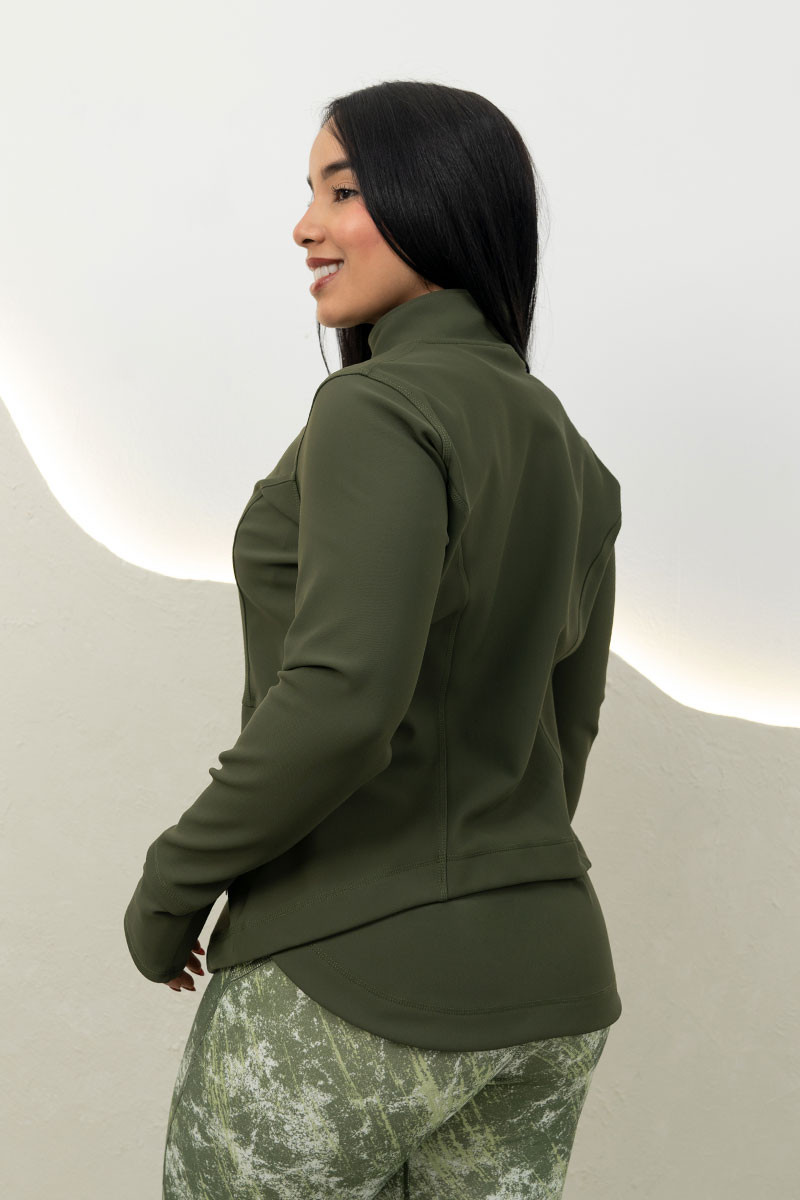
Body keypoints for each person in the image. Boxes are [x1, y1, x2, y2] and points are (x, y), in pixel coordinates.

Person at [124, 79, 623, 1199]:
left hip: (351, 977)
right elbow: (567, 732)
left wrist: (170, 884)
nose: (306, 225)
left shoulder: (376, 407)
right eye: (310, 192)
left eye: (342, 191)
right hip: (549, 984)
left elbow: (343, 700)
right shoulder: (570, 451)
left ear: (437, 200)